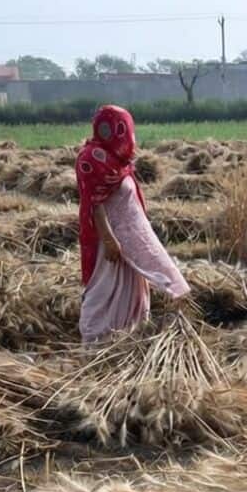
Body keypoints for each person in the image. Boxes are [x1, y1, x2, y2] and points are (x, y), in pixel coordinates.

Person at [75, 105, 190, 342]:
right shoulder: (91, 158)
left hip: (131, 240)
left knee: (133, 291)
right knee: (104, 292)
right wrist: (109, 240)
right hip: (111, 244)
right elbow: (94, 204)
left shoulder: (118, 161)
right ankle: (96, 342)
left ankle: (127, 339)